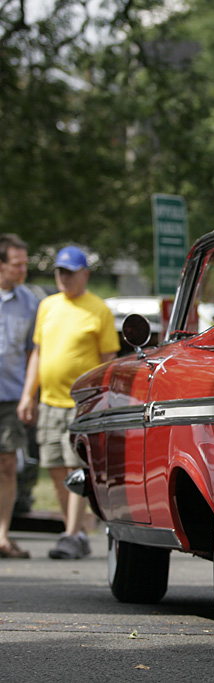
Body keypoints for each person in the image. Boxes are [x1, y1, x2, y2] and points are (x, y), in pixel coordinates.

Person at [17, 245, 119, 560]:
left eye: (70, 272)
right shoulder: (47, 306)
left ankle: (72, 533)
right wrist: (27, 394)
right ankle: (73, 530)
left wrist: (101, 398)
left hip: (80, 404)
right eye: (60, 272)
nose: (63, 278)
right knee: (55, 466)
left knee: (77, 466)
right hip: (49, 401)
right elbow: (37, 352)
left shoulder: (98, 308)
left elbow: (108, 358)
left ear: (85, 274)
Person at [0, 234, 38, 559]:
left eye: (25, 263)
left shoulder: (29, 301)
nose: (23, 269)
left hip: (10, 396)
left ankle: (2, 536)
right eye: (17, 264)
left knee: (8, 464)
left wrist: (30, 395)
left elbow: (31, 353)